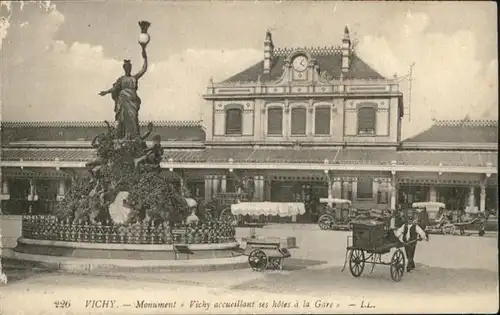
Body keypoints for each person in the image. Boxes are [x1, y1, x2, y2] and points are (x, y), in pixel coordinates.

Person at [99, 45, 148, 140]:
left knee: (134, 118)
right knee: (124, 119)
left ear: (131, 68)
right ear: (124, 68)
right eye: (126, 67)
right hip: (124, 102)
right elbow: (114, 89)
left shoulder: (134, 77)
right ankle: (125, 137)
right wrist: (106, 92)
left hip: (133, 102)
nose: (128, 69)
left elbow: (144, 69)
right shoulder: (121, 79)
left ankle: (135, 137)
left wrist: (145, 58)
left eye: (129, 67)